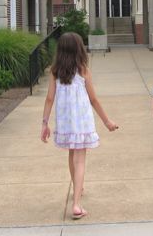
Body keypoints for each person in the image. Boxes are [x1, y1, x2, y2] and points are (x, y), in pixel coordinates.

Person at [40, 32, 118, 219]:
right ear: (79, 49)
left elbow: (49, 98)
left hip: (66, 122)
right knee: (80, 159)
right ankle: (76, 204)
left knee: (71, 153)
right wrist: (107, 121)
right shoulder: (83, 70)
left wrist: (44, 123)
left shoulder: (54, 70)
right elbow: (93, 99)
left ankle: (78, 187)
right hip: (81, 121)